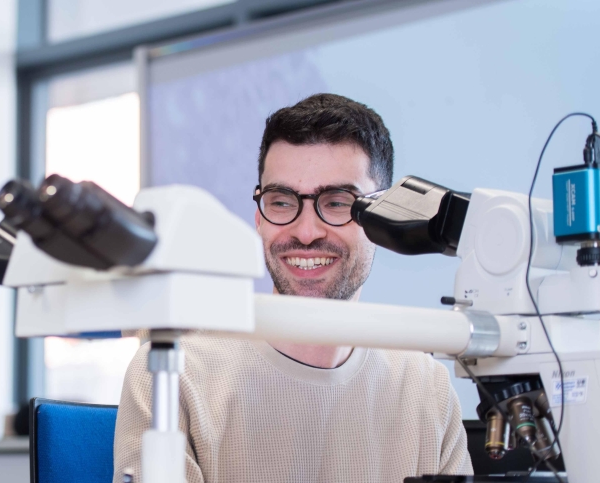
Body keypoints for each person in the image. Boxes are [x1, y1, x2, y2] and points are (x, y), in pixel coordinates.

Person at [113, 93, 471, 483]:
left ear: (382, 220)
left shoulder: (425, 389)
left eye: (336, 202)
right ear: (259, 218)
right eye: (282, 201)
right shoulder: (171, 374)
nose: (304, 231)